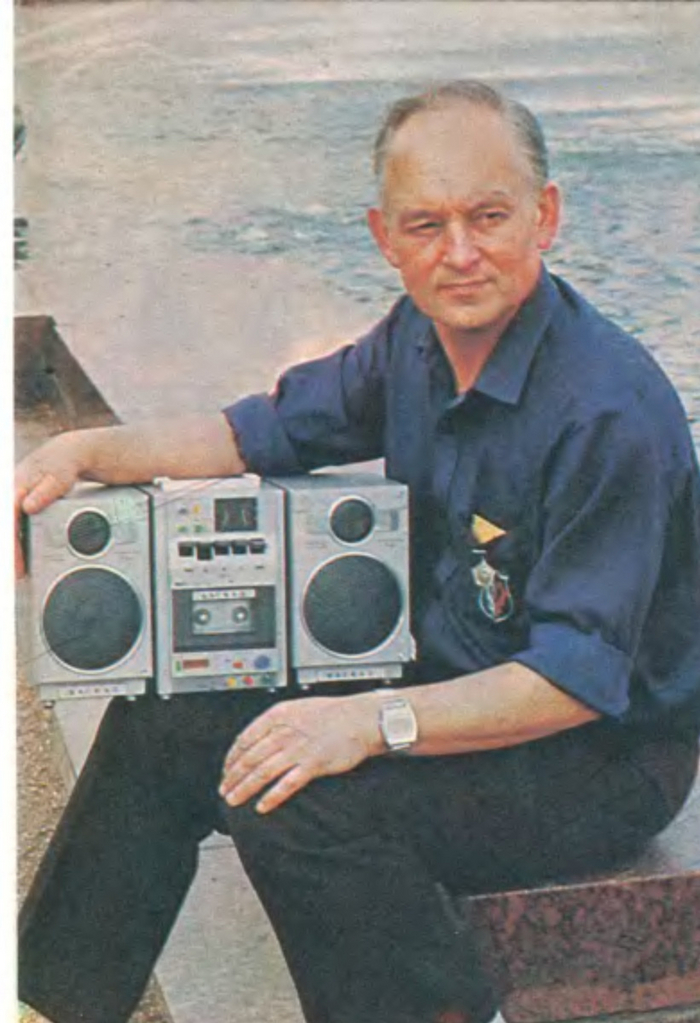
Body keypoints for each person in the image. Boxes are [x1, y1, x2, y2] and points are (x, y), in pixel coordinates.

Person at [16, 80, 700, 1023]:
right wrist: (82, 452)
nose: (460, 253)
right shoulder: (417, 339)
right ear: (385, 238)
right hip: (453, 680)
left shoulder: (607, 411)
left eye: (488, 216)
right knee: (174, 711)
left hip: (596, 757)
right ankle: (54, 1002)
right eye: (426, 224)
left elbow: (574, 681)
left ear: (544, 216)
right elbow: (257, 432)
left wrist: (367, 721)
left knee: (301, 802)